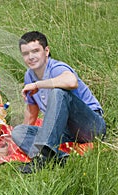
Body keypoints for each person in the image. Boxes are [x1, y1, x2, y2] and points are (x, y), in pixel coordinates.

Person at [11, 31, 106, 174]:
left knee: (58, 92)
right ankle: (61, 159)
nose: (31, 57)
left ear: (46, 51)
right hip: (63, 130)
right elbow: (32, 111)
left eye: (35, 51)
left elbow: (71, 81)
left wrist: (38, 85)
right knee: (19, 132)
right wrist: (24, 135)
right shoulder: (29, 76)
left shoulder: (56, 67)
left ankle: (42, 156)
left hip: (89, 126)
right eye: (26, 53)